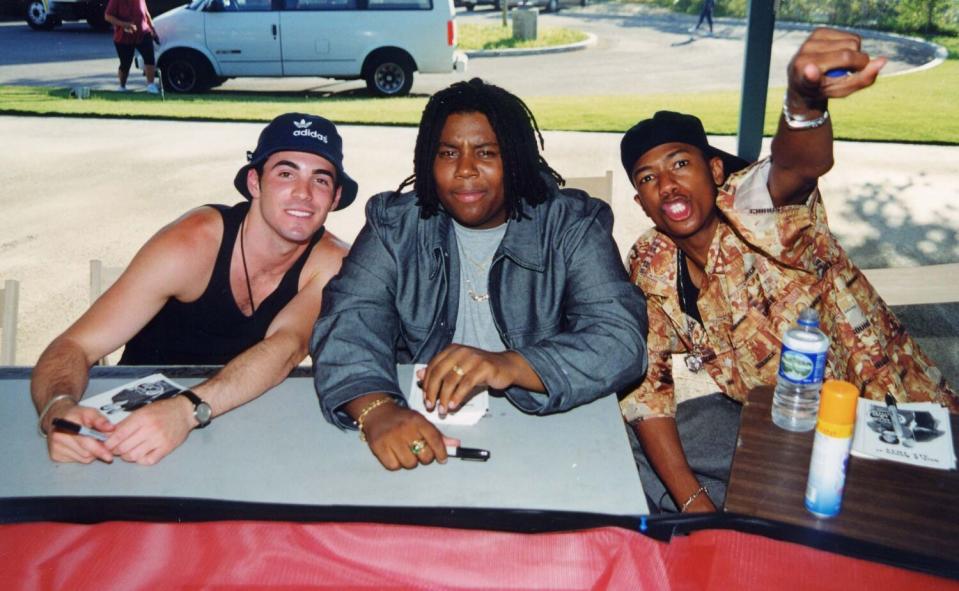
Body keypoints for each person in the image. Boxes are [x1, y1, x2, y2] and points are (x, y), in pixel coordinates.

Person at [618, 28, 957, 513]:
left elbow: (797, 167)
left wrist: (803, 103)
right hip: (774, 424)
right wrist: (695, 503)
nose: (667, 186)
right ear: (641, 202)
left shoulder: (753, 207)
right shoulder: (651, 262)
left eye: (680, 164)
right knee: (629, 447)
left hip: (884, 421)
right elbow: (648, 391)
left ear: (715, 171)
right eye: (649, 178)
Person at [311, 78, 649, 471]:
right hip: (423, 425)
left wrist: (509, 365)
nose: (465, 170)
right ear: (427, 161)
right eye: (448, 152)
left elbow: (620, 340)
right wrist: (376, 409)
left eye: (486, 152)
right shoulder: (394, 226)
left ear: (517, 159)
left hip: (551, 429)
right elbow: (348, 322)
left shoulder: (572, 225)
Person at [32, 112, 354, 465]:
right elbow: (75, 345)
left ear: (335, 197)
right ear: (254, 183)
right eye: (285, 173)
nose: (303, 194)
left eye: (320, 180)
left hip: (238, 417)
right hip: (131, 429)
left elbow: (287, 347)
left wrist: (187, 410)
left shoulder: (333, 263)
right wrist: (58, 406)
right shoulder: (191, 243)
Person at [104, 0, 160, 93]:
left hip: (143, 33)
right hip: (123, 36)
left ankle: (151, 85)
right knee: (125, 63)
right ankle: (122, 86)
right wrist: (125, 24)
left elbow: (146, 13)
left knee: (150, 58)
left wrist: (153, 30)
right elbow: (108, 16)